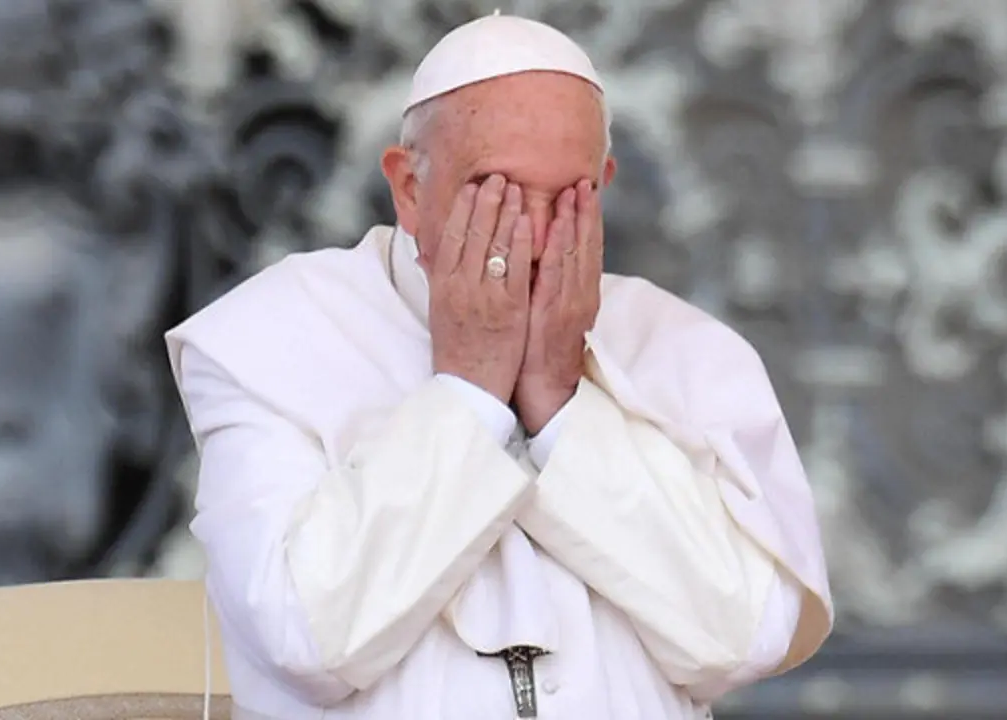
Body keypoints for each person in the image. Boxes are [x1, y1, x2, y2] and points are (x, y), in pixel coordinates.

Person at [167, 12, 833, 720]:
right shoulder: (268, 340)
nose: (536, 239)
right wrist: (472, 390)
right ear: (410, 188)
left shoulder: (686, 351)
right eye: (496, 194)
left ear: (604, 185)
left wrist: (562, 404)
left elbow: (748, 636)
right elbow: (307, 636)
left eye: (568, 199)